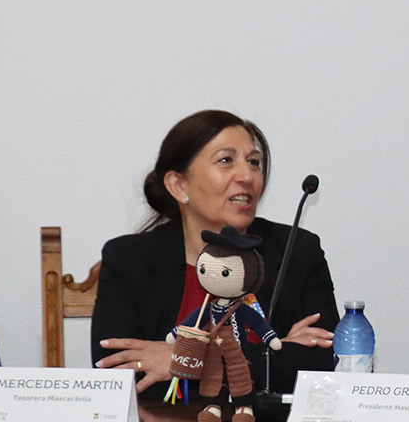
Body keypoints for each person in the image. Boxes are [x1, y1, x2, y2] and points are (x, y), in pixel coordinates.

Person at [92, 110, 338, 395]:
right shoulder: (129, 259)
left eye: (254, 162)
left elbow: (323, 365)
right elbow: (117, 373)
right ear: (178, 185)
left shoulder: (296, 250)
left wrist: (181, 359)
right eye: (226, 160)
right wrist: (276, 353)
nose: (247, 176)